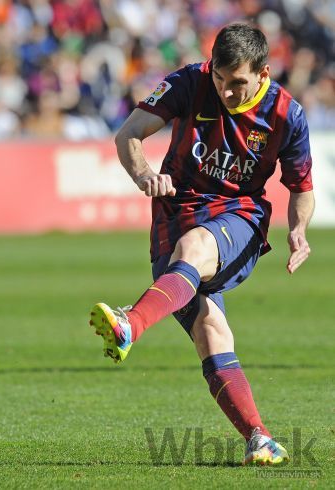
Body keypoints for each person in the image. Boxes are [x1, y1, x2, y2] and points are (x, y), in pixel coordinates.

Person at [89, 23, 314, 466]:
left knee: (195, 246)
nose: (226, 91)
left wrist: (298, 229)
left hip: (239, 218)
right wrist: (143, 175)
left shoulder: (286, 114)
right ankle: (260, 437)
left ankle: (131, 323)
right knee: (211, 332)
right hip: (172, 218)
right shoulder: (190, 81)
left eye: (238, 83)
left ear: (263, 73)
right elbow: (128, 134)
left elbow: (301, 186)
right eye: (220, 79)